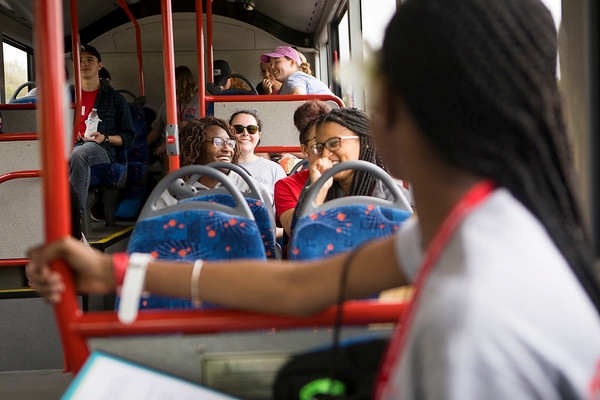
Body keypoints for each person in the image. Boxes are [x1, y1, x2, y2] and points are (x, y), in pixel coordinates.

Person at [26, 1, 600, 398]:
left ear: (395, 110)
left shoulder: (472, 324)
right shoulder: (476, 228)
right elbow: (303, 286)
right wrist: (113, 269)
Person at [298, 107, 412, 212]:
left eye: (333, 143)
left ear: (364, 143)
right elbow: (302, 233)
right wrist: (318, 192)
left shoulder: (396, 199)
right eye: (319, 147)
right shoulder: (315, 185)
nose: (325, 154)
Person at [156, 116, 272, 215]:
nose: (227, 149)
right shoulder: (177, 190)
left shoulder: (248, 186)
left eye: (230, 143)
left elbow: (266, 232)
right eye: (218, 142)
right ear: (197, 146)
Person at [69, 45, 134, 221]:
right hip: (70, 145)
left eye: (89, 59)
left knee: (79, 154)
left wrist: (104, 137)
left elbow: (128, 137)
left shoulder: (115, 99)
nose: (84, 63)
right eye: (80, 60)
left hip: (102, 149)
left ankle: (75, 219)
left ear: (99, 65)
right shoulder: (66, 96)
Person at [274, 100, 332, 237]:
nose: (326, 151)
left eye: (332, 142)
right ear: (305, 149)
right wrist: (319, 188)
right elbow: (293, 229)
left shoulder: (353, 177)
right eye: (318, 145)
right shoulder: (286, 185)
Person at [147, 65, 200, 177]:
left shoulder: (198, 101)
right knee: (170, 153)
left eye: (173, 82)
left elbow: (203, 126)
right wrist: (143, 145)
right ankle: (164, 189)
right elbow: (157, 128)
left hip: (189, 142)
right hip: (168, 142)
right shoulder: (168, 102)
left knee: (183, 127)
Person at [229, 109, 286, 208]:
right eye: (238, 129)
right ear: (229, 134)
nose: (245, 133)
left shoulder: (274, 170)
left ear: (259, 135)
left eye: (251, 129)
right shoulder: (221, 167)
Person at [261, 46, 332, 95]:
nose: (272, 67)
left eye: (277, 61)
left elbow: (298, 97)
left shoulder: (294, 78)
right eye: (270, 64)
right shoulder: (296, 78)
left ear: (292, 62)